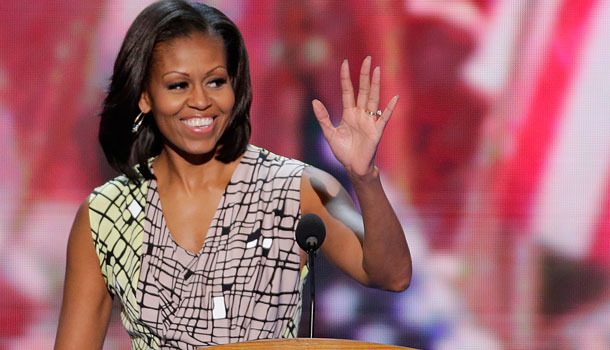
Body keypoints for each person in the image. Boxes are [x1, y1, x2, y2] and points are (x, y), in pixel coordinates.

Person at [54, 0, 412, 348]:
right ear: (145, 96)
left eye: (215, 82)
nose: (200, 101)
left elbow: (392, 275)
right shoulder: (105, 215)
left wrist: (364, 178)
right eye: (178, 85)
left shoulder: (295, 189)